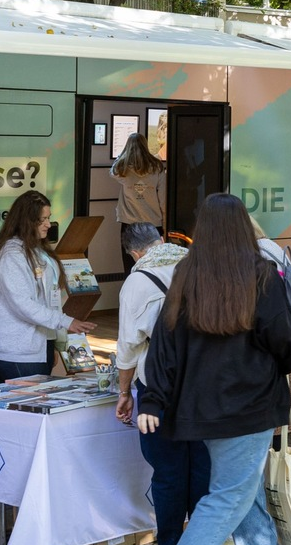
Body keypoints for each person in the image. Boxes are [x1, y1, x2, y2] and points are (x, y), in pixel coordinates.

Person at [138, 193, 291, 545]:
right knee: (228, 498)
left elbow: (164, 343)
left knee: (245, 496)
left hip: (202, 408)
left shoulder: (186, 275)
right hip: (249, 406)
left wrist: (153, 398)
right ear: (244, 227)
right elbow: (286, 342)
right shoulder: (261, 276)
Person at [115, 222, 209, 545]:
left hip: (159, 387)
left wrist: (124, 392)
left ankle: (169, 538)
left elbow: (128, 348)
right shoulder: (197, 266)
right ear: (160, 240)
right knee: (201, 463)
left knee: (168, 470)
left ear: (134, 253)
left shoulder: (137, 282)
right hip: (202, 381)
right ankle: (201, 536)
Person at [0, 190, 96, 382]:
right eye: (42, 220)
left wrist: (52, 342)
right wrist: (65, 321)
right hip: (17, 351)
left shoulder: (36, 248)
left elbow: (48, 299)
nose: (48, 224)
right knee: (30, 399)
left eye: (48, 218)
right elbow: (22, 304)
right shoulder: (11, 255)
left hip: (38, 345)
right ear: (26, 221)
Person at [251, 217, 291, 428]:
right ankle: (288, 427)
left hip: (275, 335)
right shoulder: (269, 245)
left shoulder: (256, 254)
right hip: (288, 325)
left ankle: (280, 432)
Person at [111, 132, 167, 273]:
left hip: (129, 224)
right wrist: (166, 224)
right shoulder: (157, 167)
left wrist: (123, 154)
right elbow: (163, 200)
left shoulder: (123, 169)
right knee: (155, 267)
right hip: (153, 224)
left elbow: (113, 170)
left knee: (130, 268)